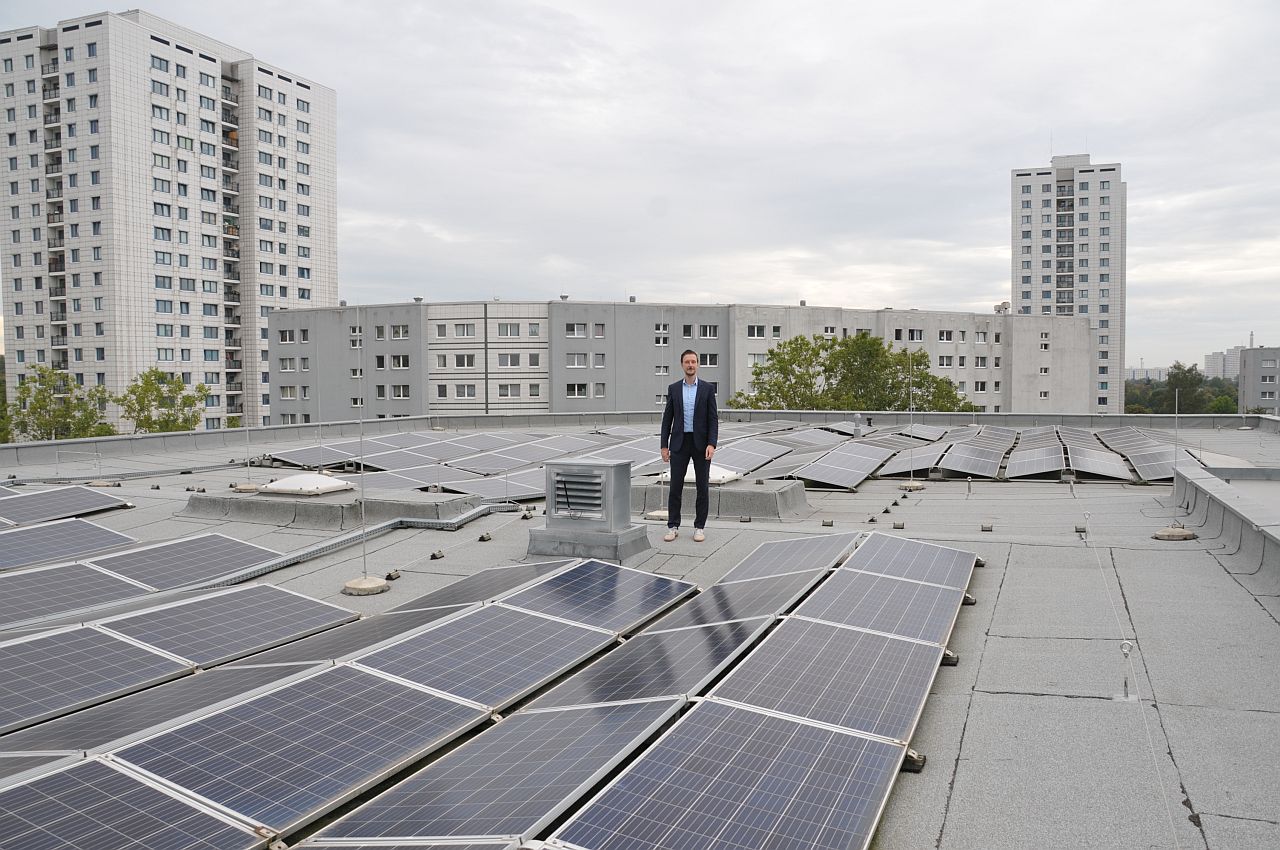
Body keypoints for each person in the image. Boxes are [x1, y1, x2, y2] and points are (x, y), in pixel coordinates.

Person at [660, 349, 718, 542]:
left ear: (698, 364)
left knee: (703, 487)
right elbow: (667, 420)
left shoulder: (707, 389)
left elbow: (713, 419)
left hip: (701, 445)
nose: (690, 365)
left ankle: (699, 527)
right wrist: (663, 446)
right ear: (682, 365)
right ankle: (673, 525)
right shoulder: (674, 389)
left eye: (693, 362)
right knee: (675, 486)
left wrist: (712, 443)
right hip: (679, 443)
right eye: (687, 362)